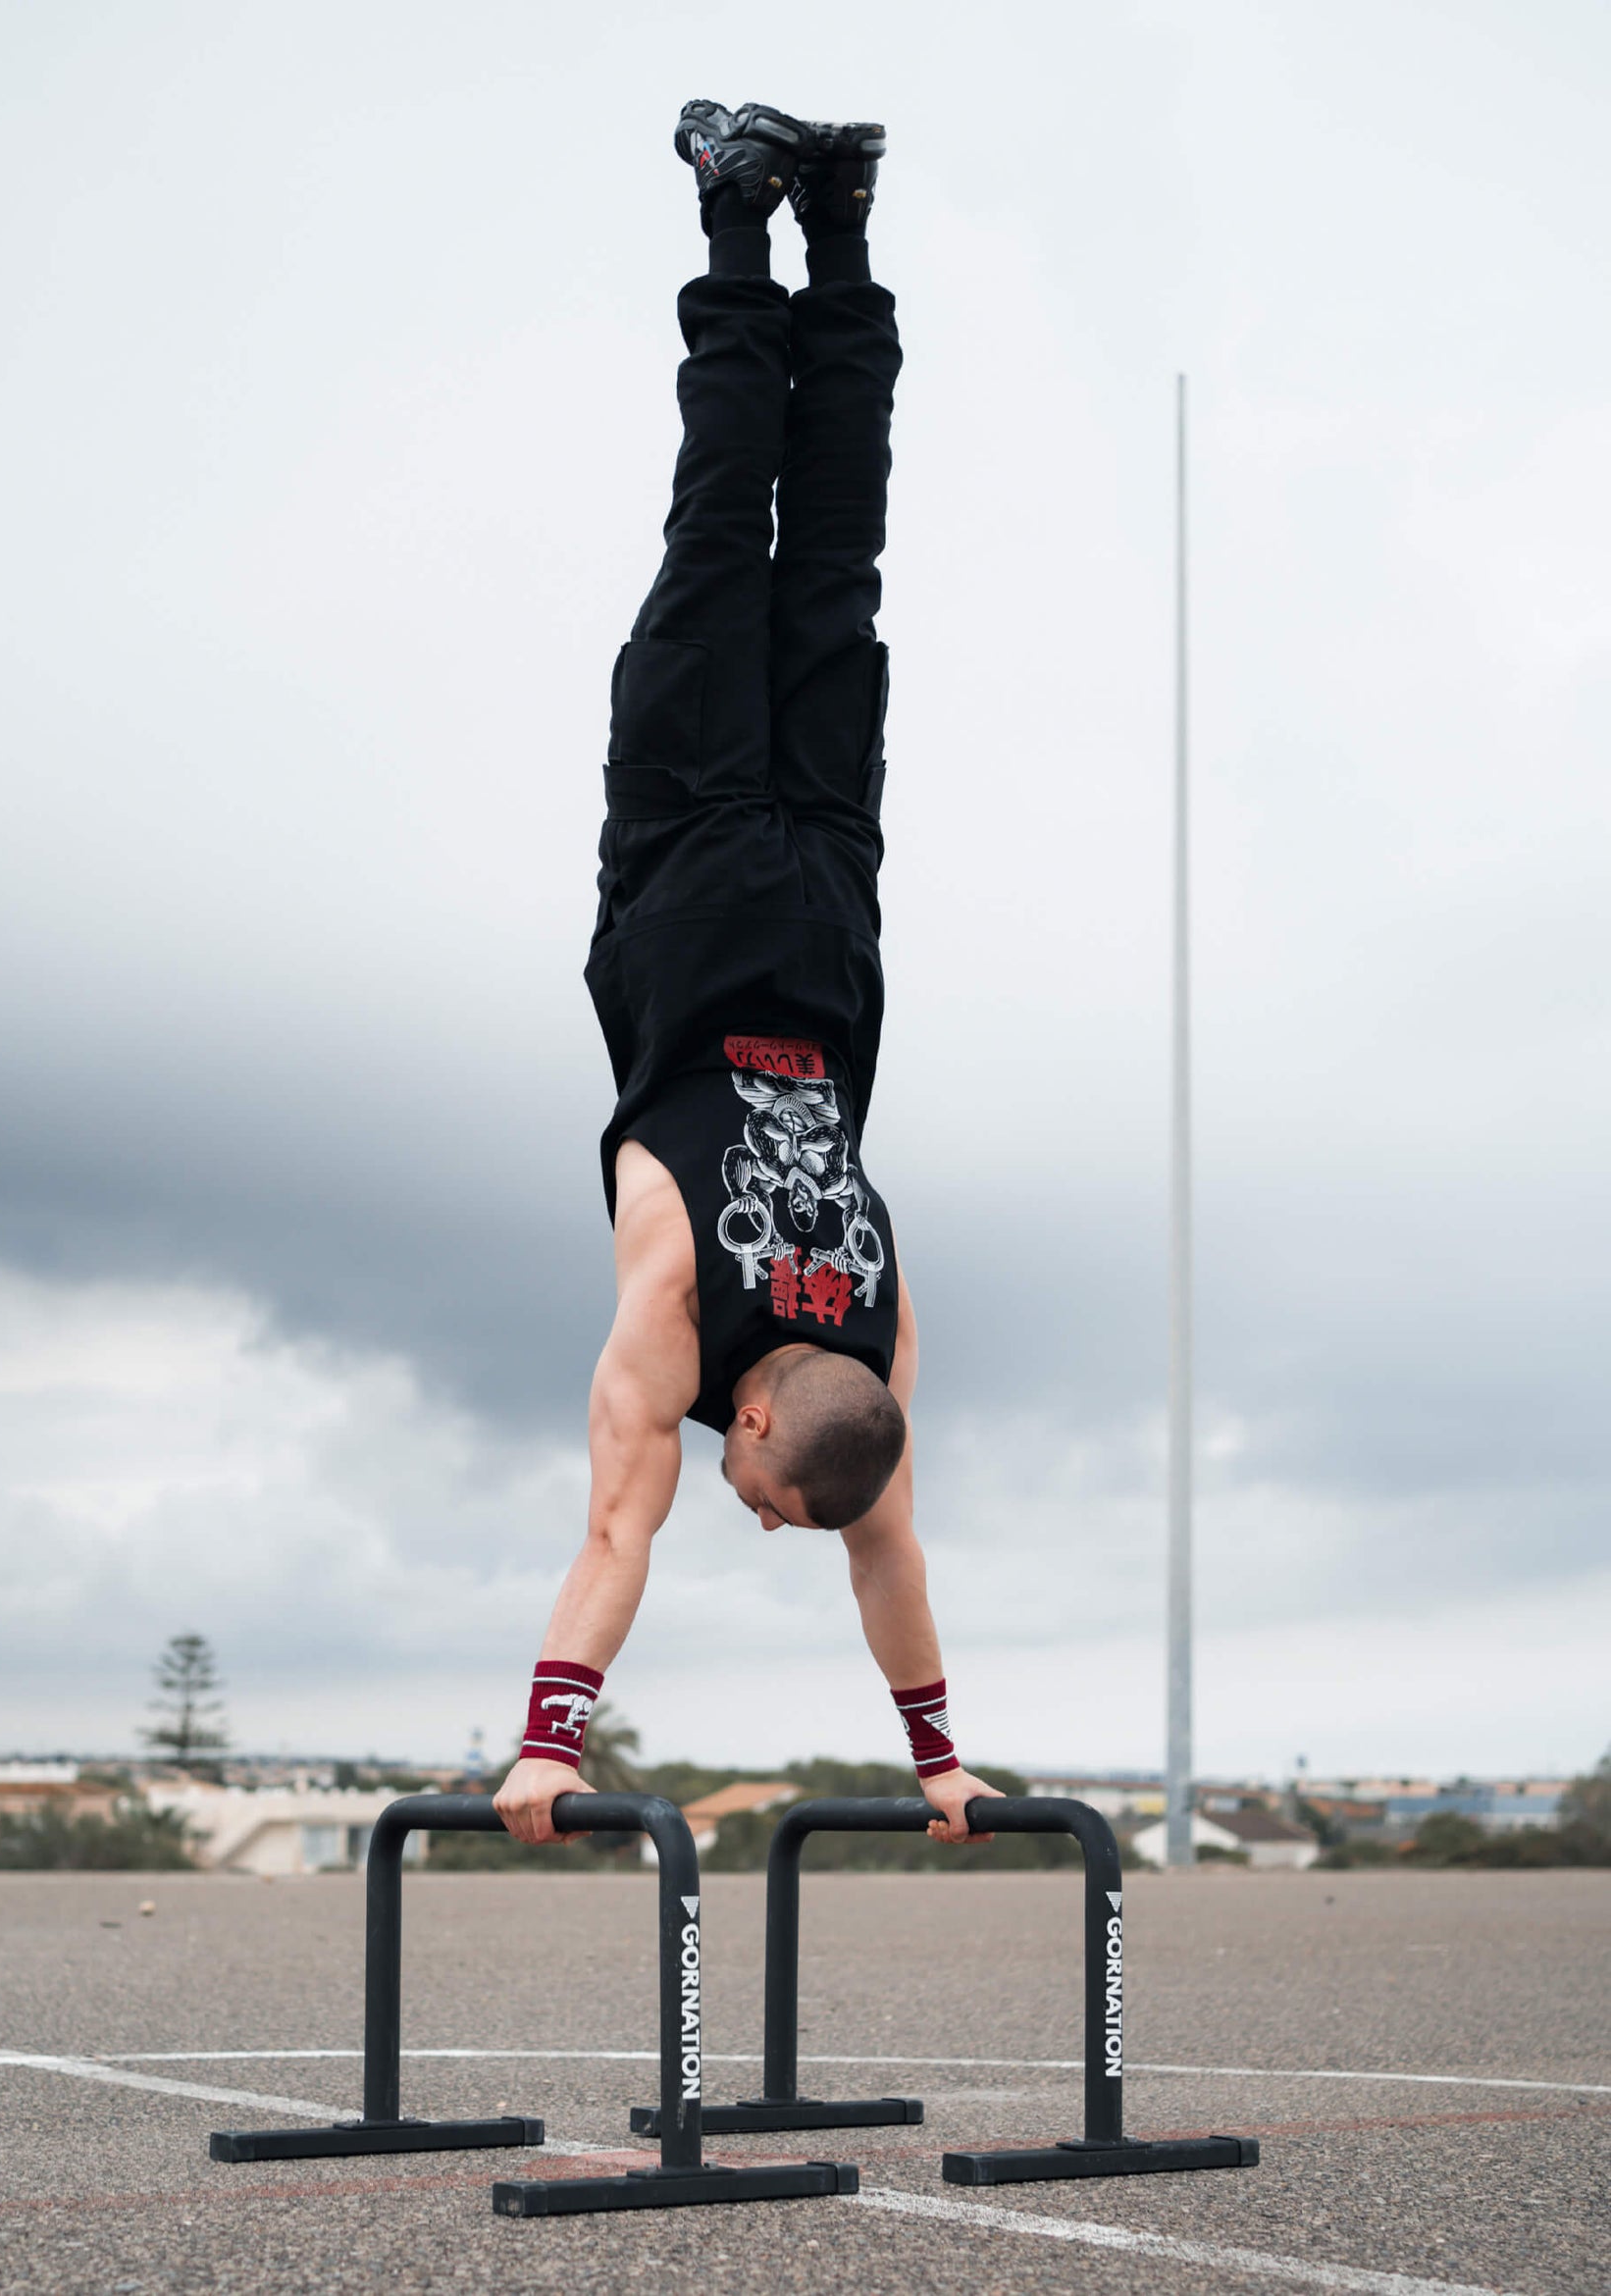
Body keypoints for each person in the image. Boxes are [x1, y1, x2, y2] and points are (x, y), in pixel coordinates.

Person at [494, 101, 995, 1850]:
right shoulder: (675, 1303)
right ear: (760, 1407)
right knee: (726, 536)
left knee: (836, 567)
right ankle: (738, 212)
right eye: (775, 1498)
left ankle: (842, 218)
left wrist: (941, 1758)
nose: (767, 1520)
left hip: (833, 896)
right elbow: (621, 1524)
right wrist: (549, 1744)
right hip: (700, 866)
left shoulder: (880, 1339)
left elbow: (891, 1541)